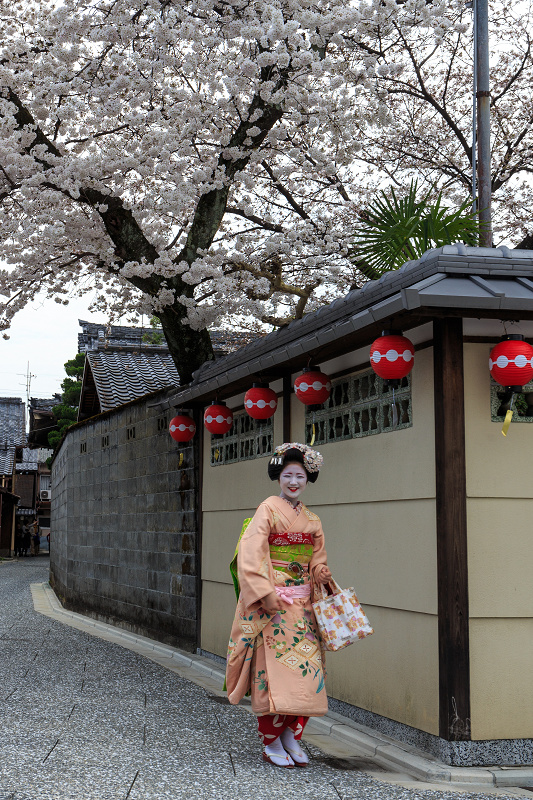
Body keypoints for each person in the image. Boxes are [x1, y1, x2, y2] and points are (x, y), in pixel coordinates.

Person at [225, 442, 332, 769]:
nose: (294, 481)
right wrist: (266, 592)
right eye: (288, 475)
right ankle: (271, 740)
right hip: (273, 608)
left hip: (302, 611)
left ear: (307, 478)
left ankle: (291, 736)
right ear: (279, 477)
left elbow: (316, 558)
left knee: (307, 675)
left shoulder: (312, 520)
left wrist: (319, 571)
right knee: (273, 676)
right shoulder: (267, 510)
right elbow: (251, 555)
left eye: (300, 475)